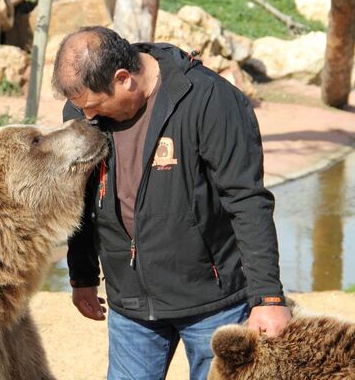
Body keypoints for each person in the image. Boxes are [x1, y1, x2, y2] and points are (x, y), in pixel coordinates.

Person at [52, 26, 292, 380]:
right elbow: (81, 200)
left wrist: (268, 299)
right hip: (131, 306)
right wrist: (82, 275)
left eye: (95, 106)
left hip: (214, 304)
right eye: (81, 108)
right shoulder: (83, 112)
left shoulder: (212, 100)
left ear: (124, 79)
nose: (87, 117)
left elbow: (247, 201)